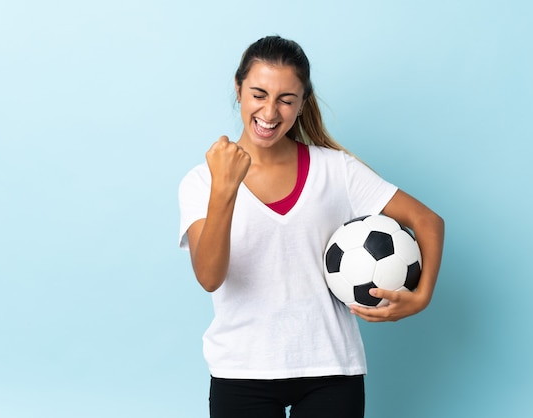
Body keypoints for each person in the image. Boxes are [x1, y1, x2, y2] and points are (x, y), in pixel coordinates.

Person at [178, 35, 444, 418]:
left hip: (330, 369)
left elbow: (427, 221)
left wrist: (421, 298)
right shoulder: (201, 181)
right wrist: (225, 187)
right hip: (241, 370)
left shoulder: (336, 169)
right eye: (258, 94)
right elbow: (209, 276)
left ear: (303, 104)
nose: (270, 112)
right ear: (238, 90)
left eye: (287, 99)